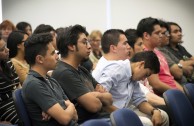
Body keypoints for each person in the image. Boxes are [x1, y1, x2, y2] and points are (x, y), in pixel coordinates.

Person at [92, 29, 169, 126]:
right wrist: (125, 115)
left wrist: (154, 111)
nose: (128, 47)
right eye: (125, 44)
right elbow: (102, 102)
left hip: (124, 110)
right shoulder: (116, 69)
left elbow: (139, 100)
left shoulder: (132, 75)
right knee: (147, 123)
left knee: (162, 115)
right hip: (109, 114)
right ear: (141, 65)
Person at [52, 25, 113, 124]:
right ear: (71, 46)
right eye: (84, 42)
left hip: (102, 119)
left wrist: (94, 95)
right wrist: (99, 95)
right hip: (90, 122)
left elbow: (110, 99)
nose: (89, 46)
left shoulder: (81, 69)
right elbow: (94, 106)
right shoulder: (64, 72)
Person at [22, 33, 78, 126]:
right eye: (53, 53)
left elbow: (75, 116)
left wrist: (62, 109)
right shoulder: (33, 84)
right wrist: (70, 106)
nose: (57, 56)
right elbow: (65, 119)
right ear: (40, 59)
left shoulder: (51, 80)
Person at [136, 17, 183, 96]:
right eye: (157, 33)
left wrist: (183, 92)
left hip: (174, 93)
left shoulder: (157, 51)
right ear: (146, 35)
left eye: (161, 33)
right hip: (165, 96)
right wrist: (179, 94)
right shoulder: (145, 54)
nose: (161, 36)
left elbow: (170, 78)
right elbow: (156, 84)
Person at [125, 29, 165, 106]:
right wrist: (171, 103)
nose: (143, 47)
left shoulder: (142, 66)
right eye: (140, 44)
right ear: (129, 47)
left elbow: (148, 92)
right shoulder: (129, 69)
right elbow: (145, 96)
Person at [157, 20, 193, 84]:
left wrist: (181, 64)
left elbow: (184, 65)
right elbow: (178, 72)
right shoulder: (163, 49)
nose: (180, 34)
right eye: (175, 32)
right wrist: (182, 64)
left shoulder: (181, 48)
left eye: (180, 31)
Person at [0, 34, 20, 125]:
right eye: (2, 49)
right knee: (23, 120)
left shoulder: (8, 62)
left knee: (37, 113)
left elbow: (18, 86)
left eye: (6, 47)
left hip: (17, 100)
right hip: (3, 108)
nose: (7, 50)